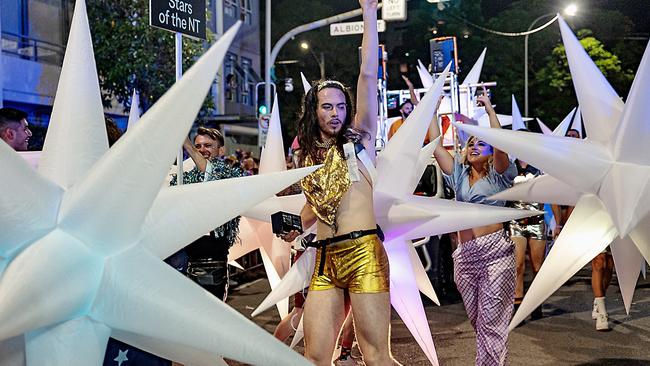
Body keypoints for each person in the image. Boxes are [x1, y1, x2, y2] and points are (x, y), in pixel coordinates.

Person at [280, 2, 399, 365]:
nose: (335, 113)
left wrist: (368, 12)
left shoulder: (360, 138)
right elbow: (314, 208)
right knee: (315, 356)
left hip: (364, 253)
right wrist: (292, 228)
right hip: (325, 257)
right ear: (314, 111)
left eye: (340, 106)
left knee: (376, 355)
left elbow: (366, 74)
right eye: (326, 107)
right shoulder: (309, 158)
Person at [430, 93, 518, 365]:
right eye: (471, 143)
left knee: (491, 323)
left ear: (492, 152)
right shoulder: (458, 175)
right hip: (465, 258)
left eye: (482, 144)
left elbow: (501, 145)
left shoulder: (499, 176)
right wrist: (432, 110)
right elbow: (435, 145)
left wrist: (490, 111)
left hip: (496, 255)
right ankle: (493, 359)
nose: (474, 147)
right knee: (479, 321)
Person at [168, 126, 243, 301]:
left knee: (209, 317)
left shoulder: (230, 175)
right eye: (198, 146)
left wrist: (188, 146)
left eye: (208, 145)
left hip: (210, 264)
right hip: (181, 259)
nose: (202, 150)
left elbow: (212, 176)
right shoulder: (183, 178)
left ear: (221, 150)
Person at [552, 128, 613, 331]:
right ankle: (602, 310)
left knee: (610, 267)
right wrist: (564, 225)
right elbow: (573, 198)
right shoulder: (582, 169)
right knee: (599, 262)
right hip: (593, 218)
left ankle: (599, 298)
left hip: (615, 217)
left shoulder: (615, 164)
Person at [508, 144, 547, 321]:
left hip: (537, 222)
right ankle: (518, 305)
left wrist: (559, 224)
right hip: (516, 222)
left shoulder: (541, 168)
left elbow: (551, 195)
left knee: (538, 267)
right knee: (518, 265)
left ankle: (536, 302)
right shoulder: (509, 167)